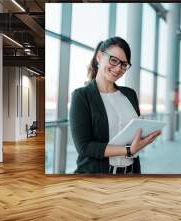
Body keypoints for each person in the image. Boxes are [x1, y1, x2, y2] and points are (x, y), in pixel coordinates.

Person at [69, 36, 161, 174]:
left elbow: (132, 133)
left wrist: (143, 137)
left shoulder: (129, 94)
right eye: (113, 60)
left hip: (130, 172)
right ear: (99, 57)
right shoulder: (81, 96)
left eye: (124, 64)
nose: (118, 68)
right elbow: (85, 147)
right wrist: (129, 150)